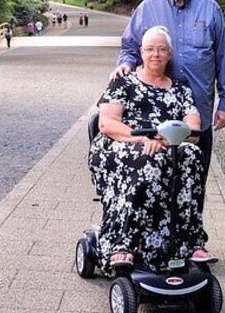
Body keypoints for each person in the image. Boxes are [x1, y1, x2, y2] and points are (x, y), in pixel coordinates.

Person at [90, 26, 217, 272]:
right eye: (150, 49)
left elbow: (193, 125)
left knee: (192, 155)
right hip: (123, 143)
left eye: (161, 49)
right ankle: (122, 244)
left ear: (170, 54)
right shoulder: (123, 83)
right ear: (141, 53)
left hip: (168, 144)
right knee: (147, 161)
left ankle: (190, 243)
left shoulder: (181, 88)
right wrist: (141, 139)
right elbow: (107, 124)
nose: (155, 54)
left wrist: (169, 140)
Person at [112, 0, 225, 193]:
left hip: (197, 111)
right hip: (153, 113)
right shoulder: (147, 8)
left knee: (194, 181)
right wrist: (125, 63)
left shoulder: (209, 9)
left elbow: (223, 58)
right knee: (154, 180)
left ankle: (191, 229)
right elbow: (130, 47)